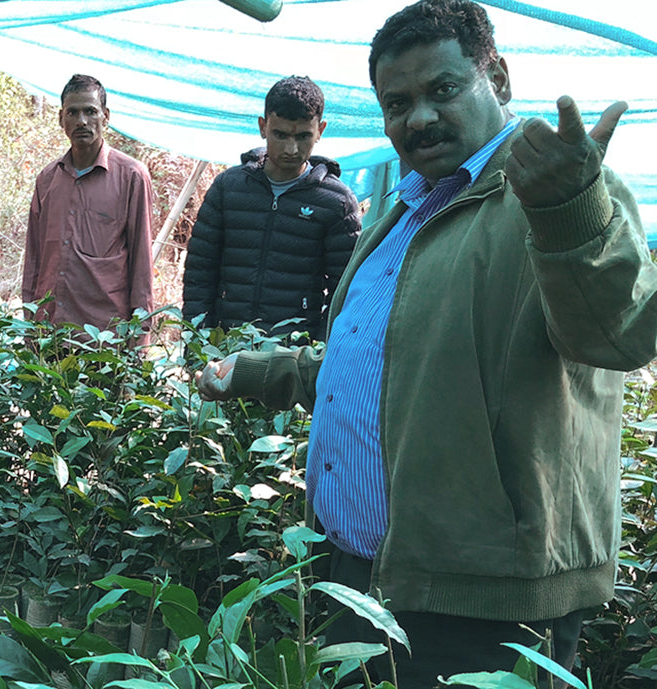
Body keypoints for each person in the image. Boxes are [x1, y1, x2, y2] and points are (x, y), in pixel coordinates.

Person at [197, 0, 650, 685]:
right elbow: (382, 361)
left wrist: (569, 208)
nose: (419, 118)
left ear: (495, 79)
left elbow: (618, 335)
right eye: (397, 101)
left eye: (443, 90)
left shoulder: (552, 195)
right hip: (363, 574)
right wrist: (256, 371)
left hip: (481, 600)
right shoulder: (408, 208)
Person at [181, 76, 360, 341]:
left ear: (320, 130)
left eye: (303, 136)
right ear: (263, 127)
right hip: (225, 345)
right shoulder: (228, 188)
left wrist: (317, 354)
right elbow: (199, 273)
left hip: (291, 357)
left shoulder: (336, 202)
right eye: (280, 135)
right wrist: (197, 344)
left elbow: (344, 291)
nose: (291, 148)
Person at [23, 74, 153, 334]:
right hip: (51, 336)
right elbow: (35, 258)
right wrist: (30, 323)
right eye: (73, 112)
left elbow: (141, 265)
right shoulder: (47, 180)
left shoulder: (131, 176)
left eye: (90, 111)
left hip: (105, 338)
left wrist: (139, 339)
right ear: (61, 118)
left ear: (105, 116)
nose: (81, 121)